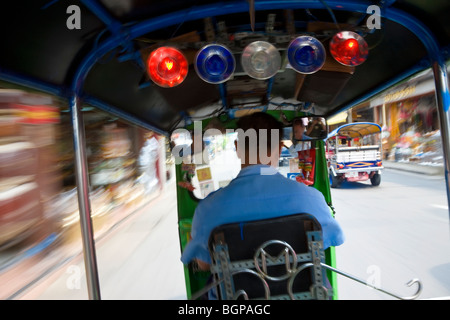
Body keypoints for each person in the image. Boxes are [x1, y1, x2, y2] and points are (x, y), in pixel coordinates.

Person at [180, 112, 345, 271]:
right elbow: (328, 243)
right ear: (280, 149)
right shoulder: (312, 198)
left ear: (237, 148)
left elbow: (204, 265)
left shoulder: (208, 208)